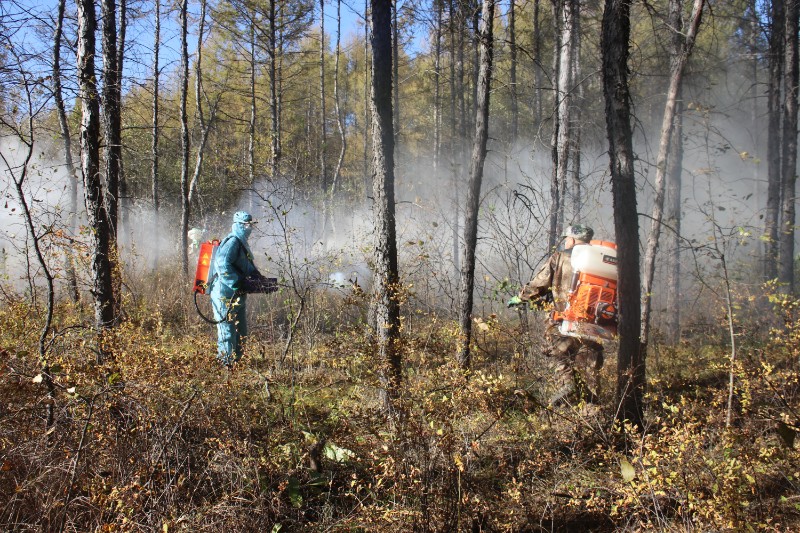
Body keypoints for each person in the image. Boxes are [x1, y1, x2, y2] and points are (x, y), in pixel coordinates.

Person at [508, 224, 604, 405]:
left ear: (573, 240)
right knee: (589, 371)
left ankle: (567, 386)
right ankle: (591, 414)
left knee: (560, 357)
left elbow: (538, 285)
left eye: (567, 238)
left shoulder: (560, 258)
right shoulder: (601, 261)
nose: (566, 241)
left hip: (564, 323)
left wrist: (520, 297)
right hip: (594, 326)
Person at [209, 211, 263, 368]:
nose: (249, 228)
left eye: (250, 225)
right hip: (224, 294)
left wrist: (258, 279)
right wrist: (236, 283)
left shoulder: (241, 242)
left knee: (241, 330)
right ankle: (226, 365)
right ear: (238, 225)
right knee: (227, 331)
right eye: (246, 225)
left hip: (237, 294)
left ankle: (237, 362)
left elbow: (245, 266)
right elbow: (221, 263)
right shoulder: (233, 241)